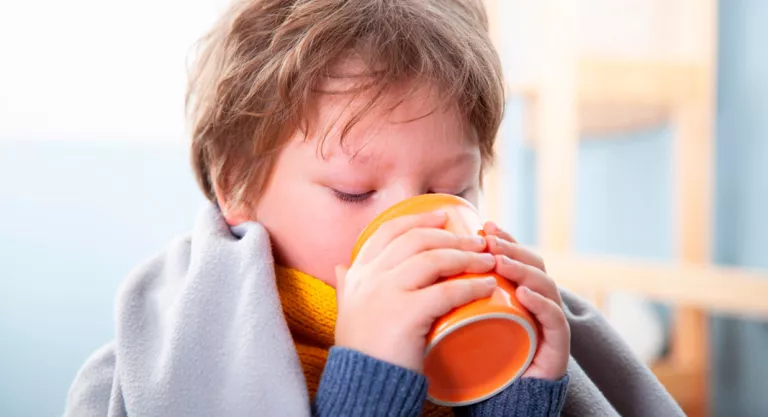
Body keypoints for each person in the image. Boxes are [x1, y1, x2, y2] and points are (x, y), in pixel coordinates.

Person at [64, 0, 684, 416]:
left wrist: (523, 395)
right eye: (355, 192)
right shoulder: (153, 366)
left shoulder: (499, 325)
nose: (417, 224)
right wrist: (370, 379)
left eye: (454, 191)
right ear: (235, 186)